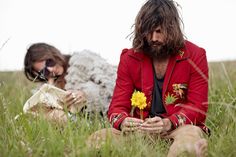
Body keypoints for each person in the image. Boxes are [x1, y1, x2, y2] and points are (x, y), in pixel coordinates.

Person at [87, 0, 209, 156]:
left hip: (179, 128)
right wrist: (123, 121)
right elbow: (117, 107)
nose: (153, 38)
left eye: (159, 31)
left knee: (189, 136)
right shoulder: (129, 58)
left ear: (172, 28)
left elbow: (198, 107)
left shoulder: (195, 55)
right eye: (148, 32)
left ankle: (191, 150)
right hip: (141, 131)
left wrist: (168, 123)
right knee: (99, 138)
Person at [24, 43, 116, 123]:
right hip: (78, 124)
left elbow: (112, 85)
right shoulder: (46, 87)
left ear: (54, 54)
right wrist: (50, 90)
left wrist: (86, 95)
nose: (51, 69)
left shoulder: (83, 60)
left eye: (49, 62)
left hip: (105, 117)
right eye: (44, 71)